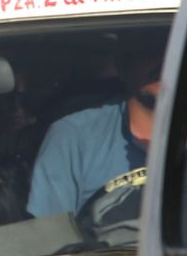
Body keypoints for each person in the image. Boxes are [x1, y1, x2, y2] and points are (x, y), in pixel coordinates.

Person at [27, 45, 161, 217]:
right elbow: (49, 236)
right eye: (151, 50)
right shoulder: (73, 138)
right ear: (123, 65)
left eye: (178, 48)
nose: (166, 61)